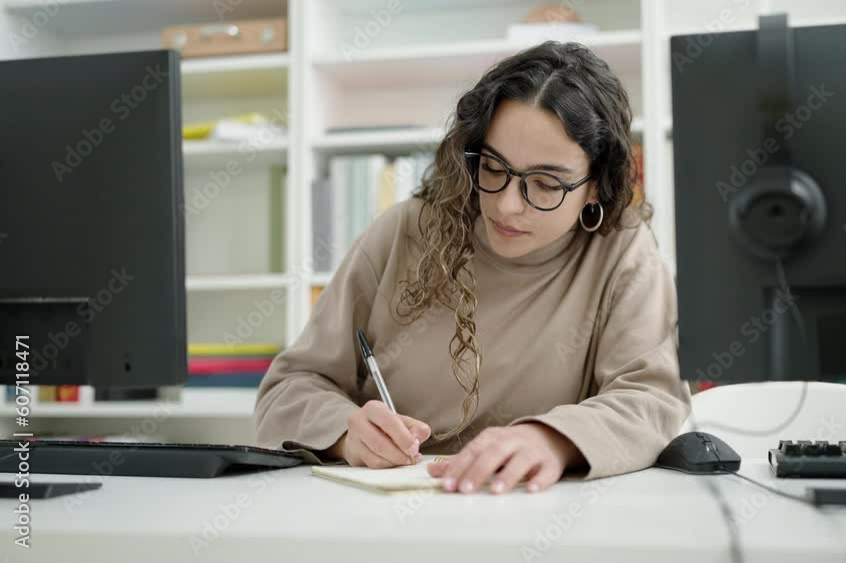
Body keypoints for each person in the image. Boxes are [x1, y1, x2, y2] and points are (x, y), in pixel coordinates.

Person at [255, 41, 691, 495]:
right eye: (493, 166)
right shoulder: (403, 231)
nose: (505, 205)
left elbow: (652, 401)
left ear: (597, 186)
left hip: (533, 516)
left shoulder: (622, 253)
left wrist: (552, 439)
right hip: (385, 514)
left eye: (544, 185)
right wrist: (346, 433)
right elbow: (288, 388)